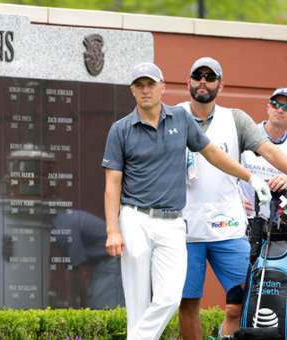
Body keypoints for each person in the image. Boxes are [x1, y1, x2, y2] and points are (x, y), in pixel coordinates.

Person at [102, 62, 271, 340]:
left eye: (151, 84)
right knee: (138, 302)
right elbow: (112, 184)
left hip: (173, 222)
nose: (146, 90)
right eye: (140, 85)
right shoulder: (120, 130)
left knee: (169, 298)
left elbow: (213, 153)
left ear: (162, 88)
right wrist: (112, 230)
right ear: (133, 90)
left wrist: (250, 178)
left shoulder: (181, 119)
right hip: (134, 218)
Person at [177, 58, 287, 339]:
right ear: (188, 81)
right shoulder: (172, 116)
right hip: (184, 228)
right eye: (197, 76)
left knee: (244, 296)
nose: (203, 81)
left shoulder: (236, 118)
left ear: (220, 84)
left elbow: (272, 153)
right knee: (188, 303)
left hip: (228, 227)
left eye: (210, 77)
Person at [240, 87, 287, 220]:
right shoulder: (246, 134)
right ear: (268, 108)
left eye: (286, 107)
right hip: (243, 222)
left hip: (279, 227)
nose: (279, 110)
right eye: (275, 104)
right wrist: (234, 199)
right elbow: (224, 172)